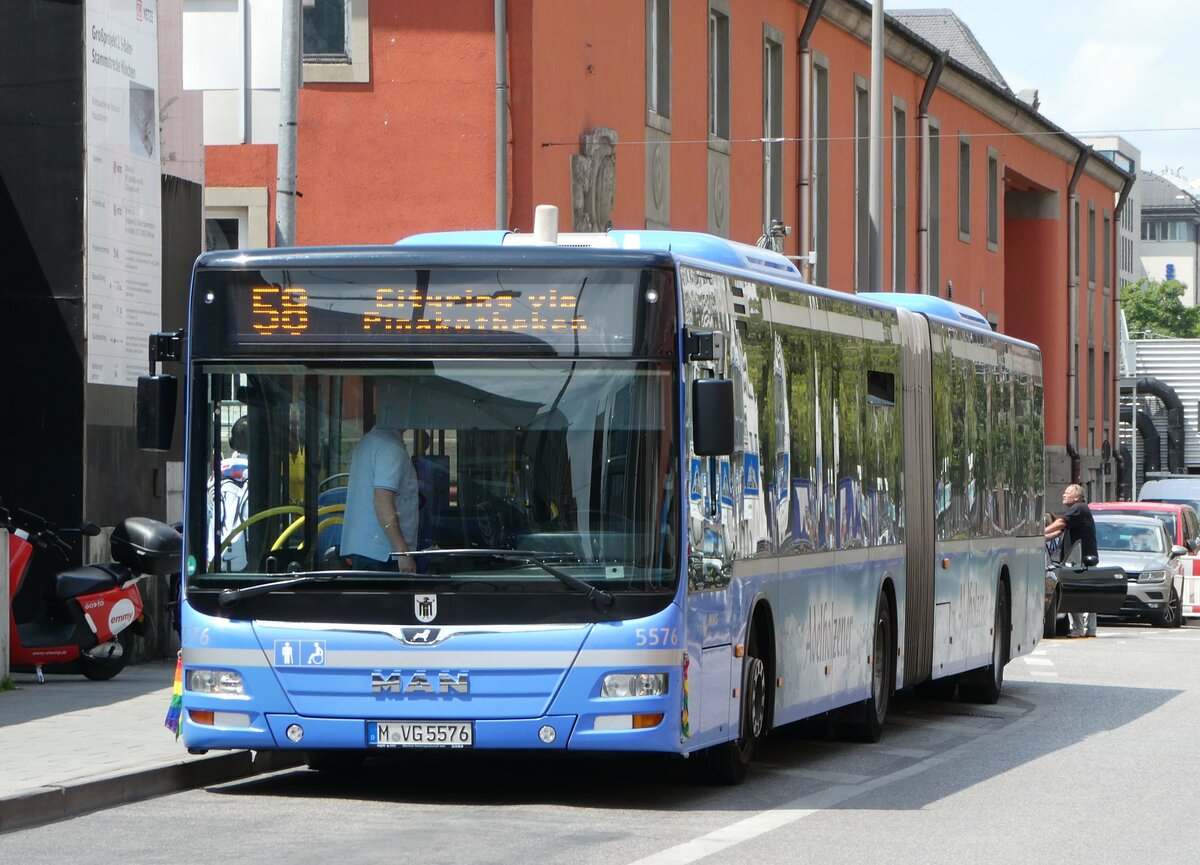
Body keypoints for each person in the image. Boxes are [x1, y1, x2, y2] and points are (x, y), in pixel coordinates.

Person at [340, 420, 418, 572]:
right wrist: (402, 552)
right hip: (385, 554)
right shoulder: (391, 447)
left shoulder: (368, 441)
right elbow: (382, 501)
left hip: (366, 550)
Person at [1045, 484, 1098, 638]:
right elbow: (1060, 531)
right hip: (1082, 559)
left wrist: (1040, 531)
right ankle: (1090, 629)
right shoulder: (1078, 512)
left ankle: (1079, 629)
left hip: (1079, 560)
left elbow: (1061, 523)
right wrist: (1043, 537)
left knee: (1074, 593)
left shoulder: (1079, 508)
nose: (1063, 494)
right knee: (1088, 595)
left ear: (1077, 496)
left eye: (1067, 492)